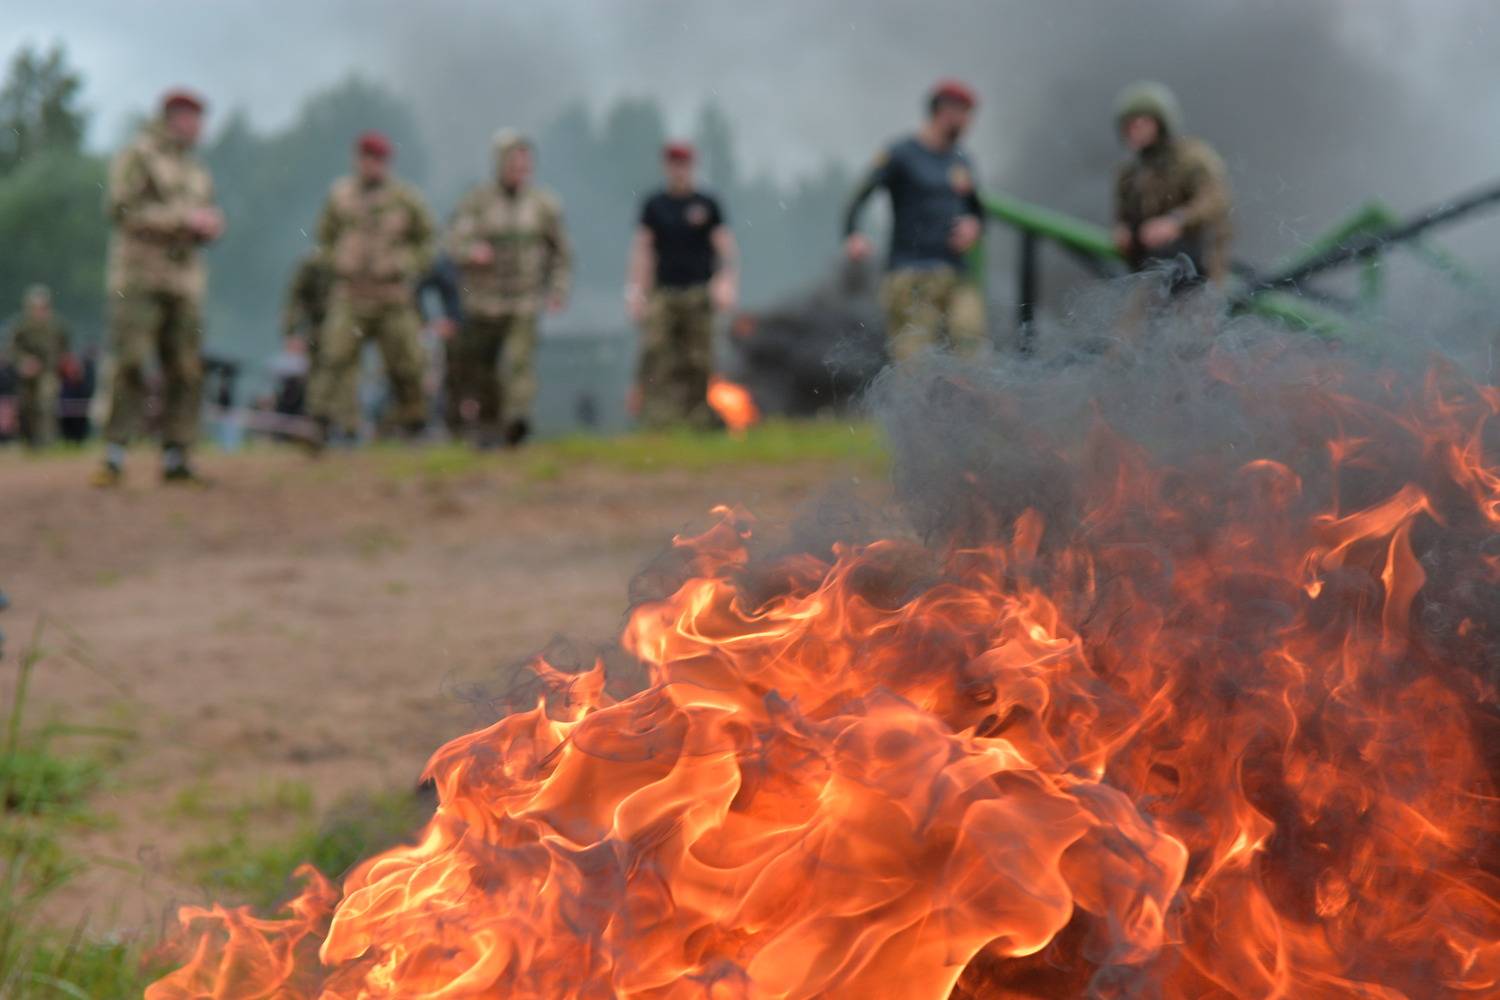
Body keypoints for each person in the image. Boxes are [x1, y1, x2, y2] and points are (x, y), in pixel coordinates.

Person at [95, 88, 224, 485]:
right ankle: (114, 454)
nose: (198, 127)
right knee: (131, 361)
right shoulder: (139, 155)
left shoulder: (197, 171)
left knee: (186, 367)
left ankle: (177, 455)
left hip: (184, 282)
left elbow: (200, 219)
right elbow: (119, 207)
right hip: (138, 278)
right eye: (192, 118)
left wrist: (210, 226)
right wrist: (183, 220)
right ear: (174, 117)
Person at [844, 79, 987, 363]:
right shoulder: (901, 154)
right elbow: (861, 194)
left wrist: (973, 226)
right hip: (911, 273)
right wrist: (853, 233)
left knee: (972, 348)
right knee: (916, 361)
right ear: (944, 111)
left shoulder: (961, 160)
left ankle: (970, 392)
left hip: (955, 272)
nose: (968, 123)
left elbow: (978, 210)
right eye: (964, 114)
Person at [307, 131, 435, 444]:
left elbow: (428, 240)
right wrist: (336, 261)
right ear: (357, 160)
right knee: (335, 357)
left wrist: (406, 263)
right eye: (367, 158)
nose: (373, 165)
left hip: (392, 294)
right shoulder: (340, 195)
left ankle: (414, 423)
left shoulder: (405, 198)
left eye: (379, 159)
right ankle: (327, 423)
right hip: (350, 293)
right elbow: (323, 238)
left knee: (407, 361)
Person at [445, 130, 571, 448]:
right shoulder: (477, 202)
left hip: (524, 299)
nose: (519, 170)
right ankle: (489, 425)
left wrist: (558, 289)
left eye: (525, 164)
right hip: (484, 301)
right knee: (483, 368)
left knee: (518, 361)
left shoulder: (543, 205)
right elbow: (453, 242)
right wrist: (472, 252)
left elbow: (561, 253)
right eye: (513, 163)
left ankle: (517, 420)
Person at [626, 142, 739, 429]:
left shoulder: (707, 204)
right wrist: (636, 292)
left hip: (698, 294)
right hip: (663, 294)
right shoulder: (655, 205)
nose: (679, 171)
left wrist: (725, 282)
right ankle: (658, 420)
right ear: (666, 167)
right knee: (656, 354)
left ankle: (697, 419)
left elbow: (725, 248)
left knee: (699, 358)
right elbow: (643, 251)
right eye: (674, 164)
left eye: (684, 164)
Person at [1112, 81, 1232, 289]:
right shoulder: (1129, 173)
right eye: (1130, 125)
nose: (1136, 130)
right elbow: (1122, 213)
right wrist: (1123, 230)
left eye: (1143, 122)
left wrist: (1176, 221)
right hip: (1152, 268)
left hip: (1198, 263)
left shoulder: (1192, 158)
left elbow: (1215, 199)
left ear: (1161, 123)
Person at [4, 285, 68, 449]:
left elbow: (64, 350)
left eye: (43, 307)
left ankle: (47, 442)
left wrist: (61, 364)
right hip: (26, 375)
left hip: (49, 373)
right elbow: (12, 350)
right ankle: (29, 441)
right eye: (36, 307)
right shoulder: (21, 327)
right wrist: (24, 362)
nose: (39, 311)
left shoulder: (57, 326)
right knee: (26, 406)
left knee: (46, 402)